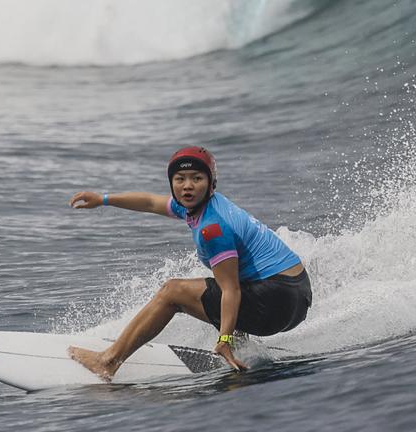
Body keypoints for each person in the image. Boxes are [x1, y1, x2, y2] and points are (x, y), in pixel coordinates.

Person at [67, 146, 312, 380]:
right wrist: (103, 198)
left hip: (276, 302)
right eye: (180, 179)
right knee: (220, 286)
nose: (187, 186)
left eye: (196, 178)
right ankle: (239, 347)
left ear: (211, 184)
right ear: (172, 183)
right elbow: (149, 202)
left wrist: (223, 340)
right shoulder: (195, 205)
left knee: (172, 292)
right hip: (297, 294)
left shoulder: (212, 228)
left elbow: (231, 290)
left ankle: (107, 362)